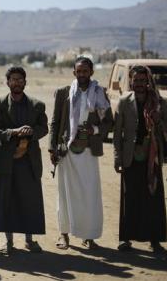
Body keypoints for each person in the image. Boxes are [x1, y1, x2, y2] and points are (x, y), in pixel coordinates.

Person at [49, 56, 112, 250]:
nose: (82, 74)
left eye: (86, 71)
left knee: (89, 194)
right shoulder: (64, 93)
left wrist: (94, 130)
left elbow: (109, 121)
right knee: (65, 193)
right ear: (74, 72)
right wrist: (52, 147)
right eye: (79, 71)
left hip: (88, 151)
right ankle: (64, 234)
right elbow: (55, 122)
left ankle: (89, 236)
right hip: (66, 150)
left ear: (91, 72)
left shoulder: (100, 93)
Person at [113, 65, 167, 252]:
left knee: (153, 198)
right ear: (131, 81)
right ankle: (126, 239)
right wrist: (117, 158)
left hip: (151, 157)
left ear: (148, 81)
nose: (139, 84)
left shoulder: (159, 101)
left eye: (142, 80)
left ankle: (155, 240)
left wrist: (158, 118)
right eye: (135, 80)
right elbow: (117, 134)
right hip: (131, 156)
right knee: (129, 198)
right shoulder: (123, 101)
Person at [0, 66, 48, 255]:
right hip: (8, 161)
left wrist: (32, 132)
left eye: (20, 79)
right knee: (6, 200)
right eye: (13, 79)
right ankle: (8, 242)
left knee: (29, 200)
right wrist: (14, 132)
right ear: (7, 82)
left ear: (25, 82)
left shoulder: (37, 105)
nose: (16, 82)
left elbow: (44, 128)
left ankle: (30, 240)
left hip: (29, 161)